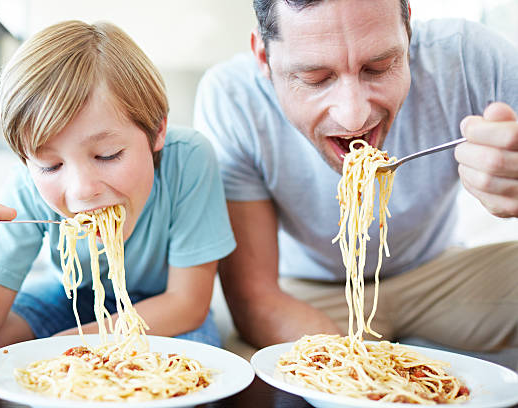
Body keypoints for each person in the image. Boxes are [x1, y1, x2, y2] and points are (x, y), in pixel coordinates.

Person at [194, 0, 518, 361]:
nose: (353, 117)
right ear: (263, 57)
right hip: (306, 293)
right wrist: (366, 373)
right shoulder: (233, 98)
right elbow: (255, 296)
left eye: (378, 67)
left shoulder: (466, 55)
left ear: (407, 25)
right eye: (315, 78)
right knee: (236, 362)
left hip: (439, 274)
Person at [0, 20, 235, 369]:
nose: (81, 190)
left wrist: (72, 344)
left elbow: (188, 303)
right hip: (72, 296)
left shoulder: (189, 159)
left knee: (186, 366)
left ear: (157, 131)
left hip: (164, 305)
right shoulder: (26, 187)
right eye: (50, 165)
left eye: (107, 155)